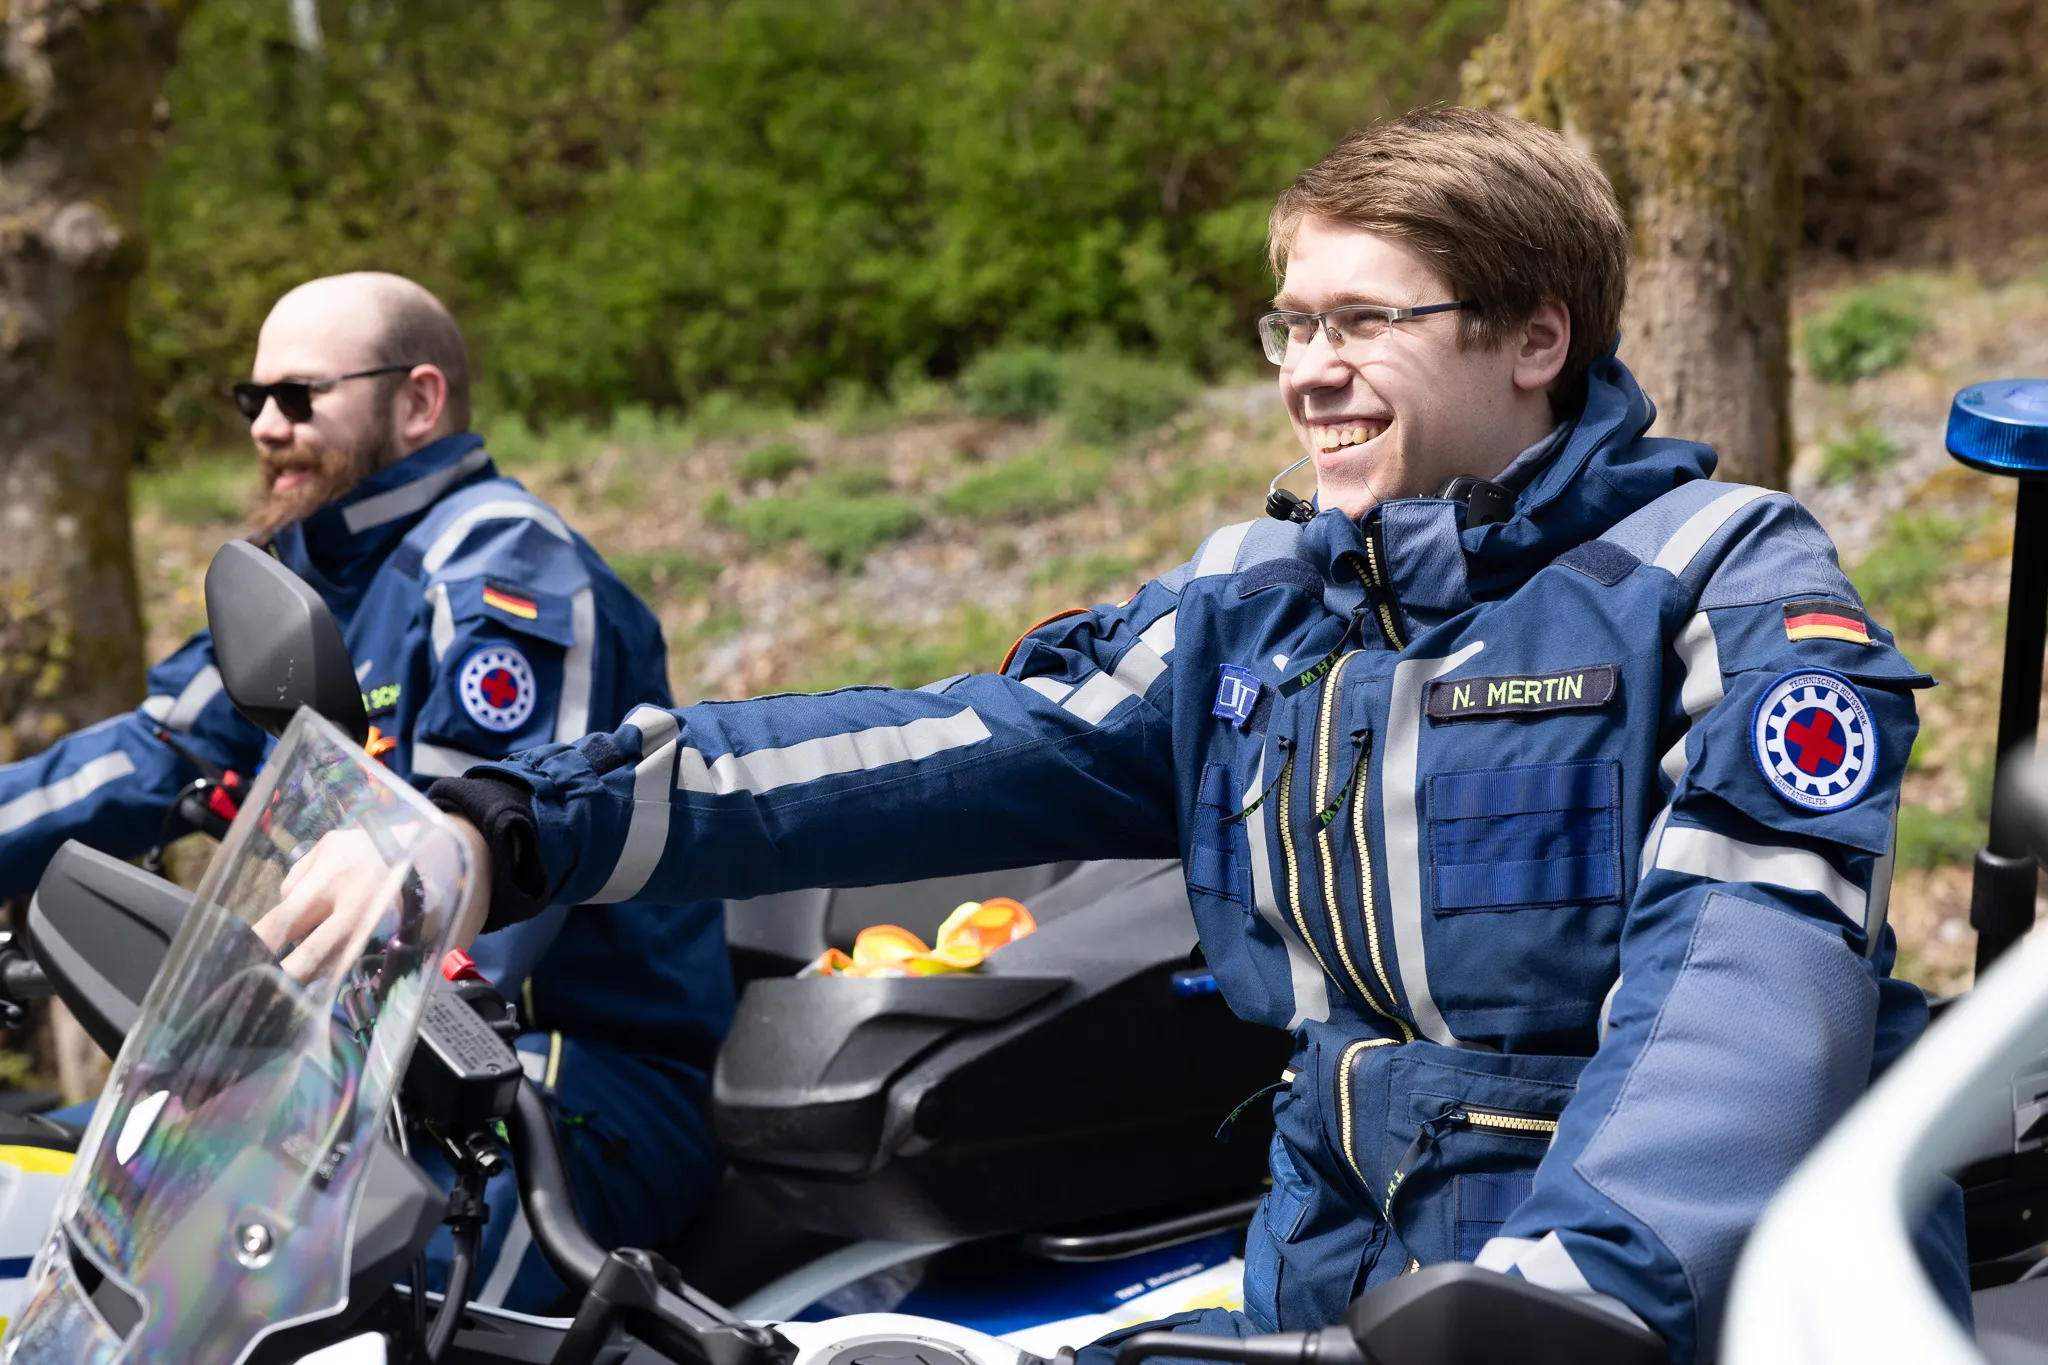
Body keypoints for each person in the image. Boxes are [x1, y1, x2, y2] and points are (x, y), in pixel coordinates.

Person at [282, 111, 1964, 1360]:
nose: (1307, 371)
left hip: (1651, 1292)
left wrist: (1578, 1285)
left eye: (1362, 321)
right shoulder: (1264, 599)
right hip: (1334, 1260)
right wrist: (503, 830)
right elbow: (927, 750)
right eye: (1290, 325)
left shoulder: (1717, 582)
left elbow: (1747, 985)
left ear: (1534, 340)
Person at [0, 272, 733, 1313]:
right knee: (43, 1197)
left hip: (554, 1080)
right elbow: (144, 759)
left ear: (418, 399)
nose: (263, 426)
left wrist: (289, 1069)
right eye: (248, 399)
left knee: (257, 1291)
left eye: (297, 398)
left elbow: (486, 881)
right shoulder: (315, 573)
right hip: (354, 1073)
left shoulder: (502, 565)